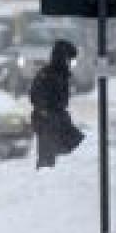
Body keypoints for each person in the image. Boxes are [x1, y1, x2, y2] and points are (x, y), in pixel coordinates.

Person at [29, 39, 84, 169]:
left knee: (75, 146)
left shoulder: (62, 74)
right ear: (63, 58)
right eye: (69, 60)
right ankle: (46, 180)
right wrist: (45, 112)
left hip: (58, 117)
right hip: (47, 120)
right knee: (47, 157)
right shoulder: (47, 74)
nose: (71, 63)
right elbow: (35, 95)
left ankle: (59, 174)